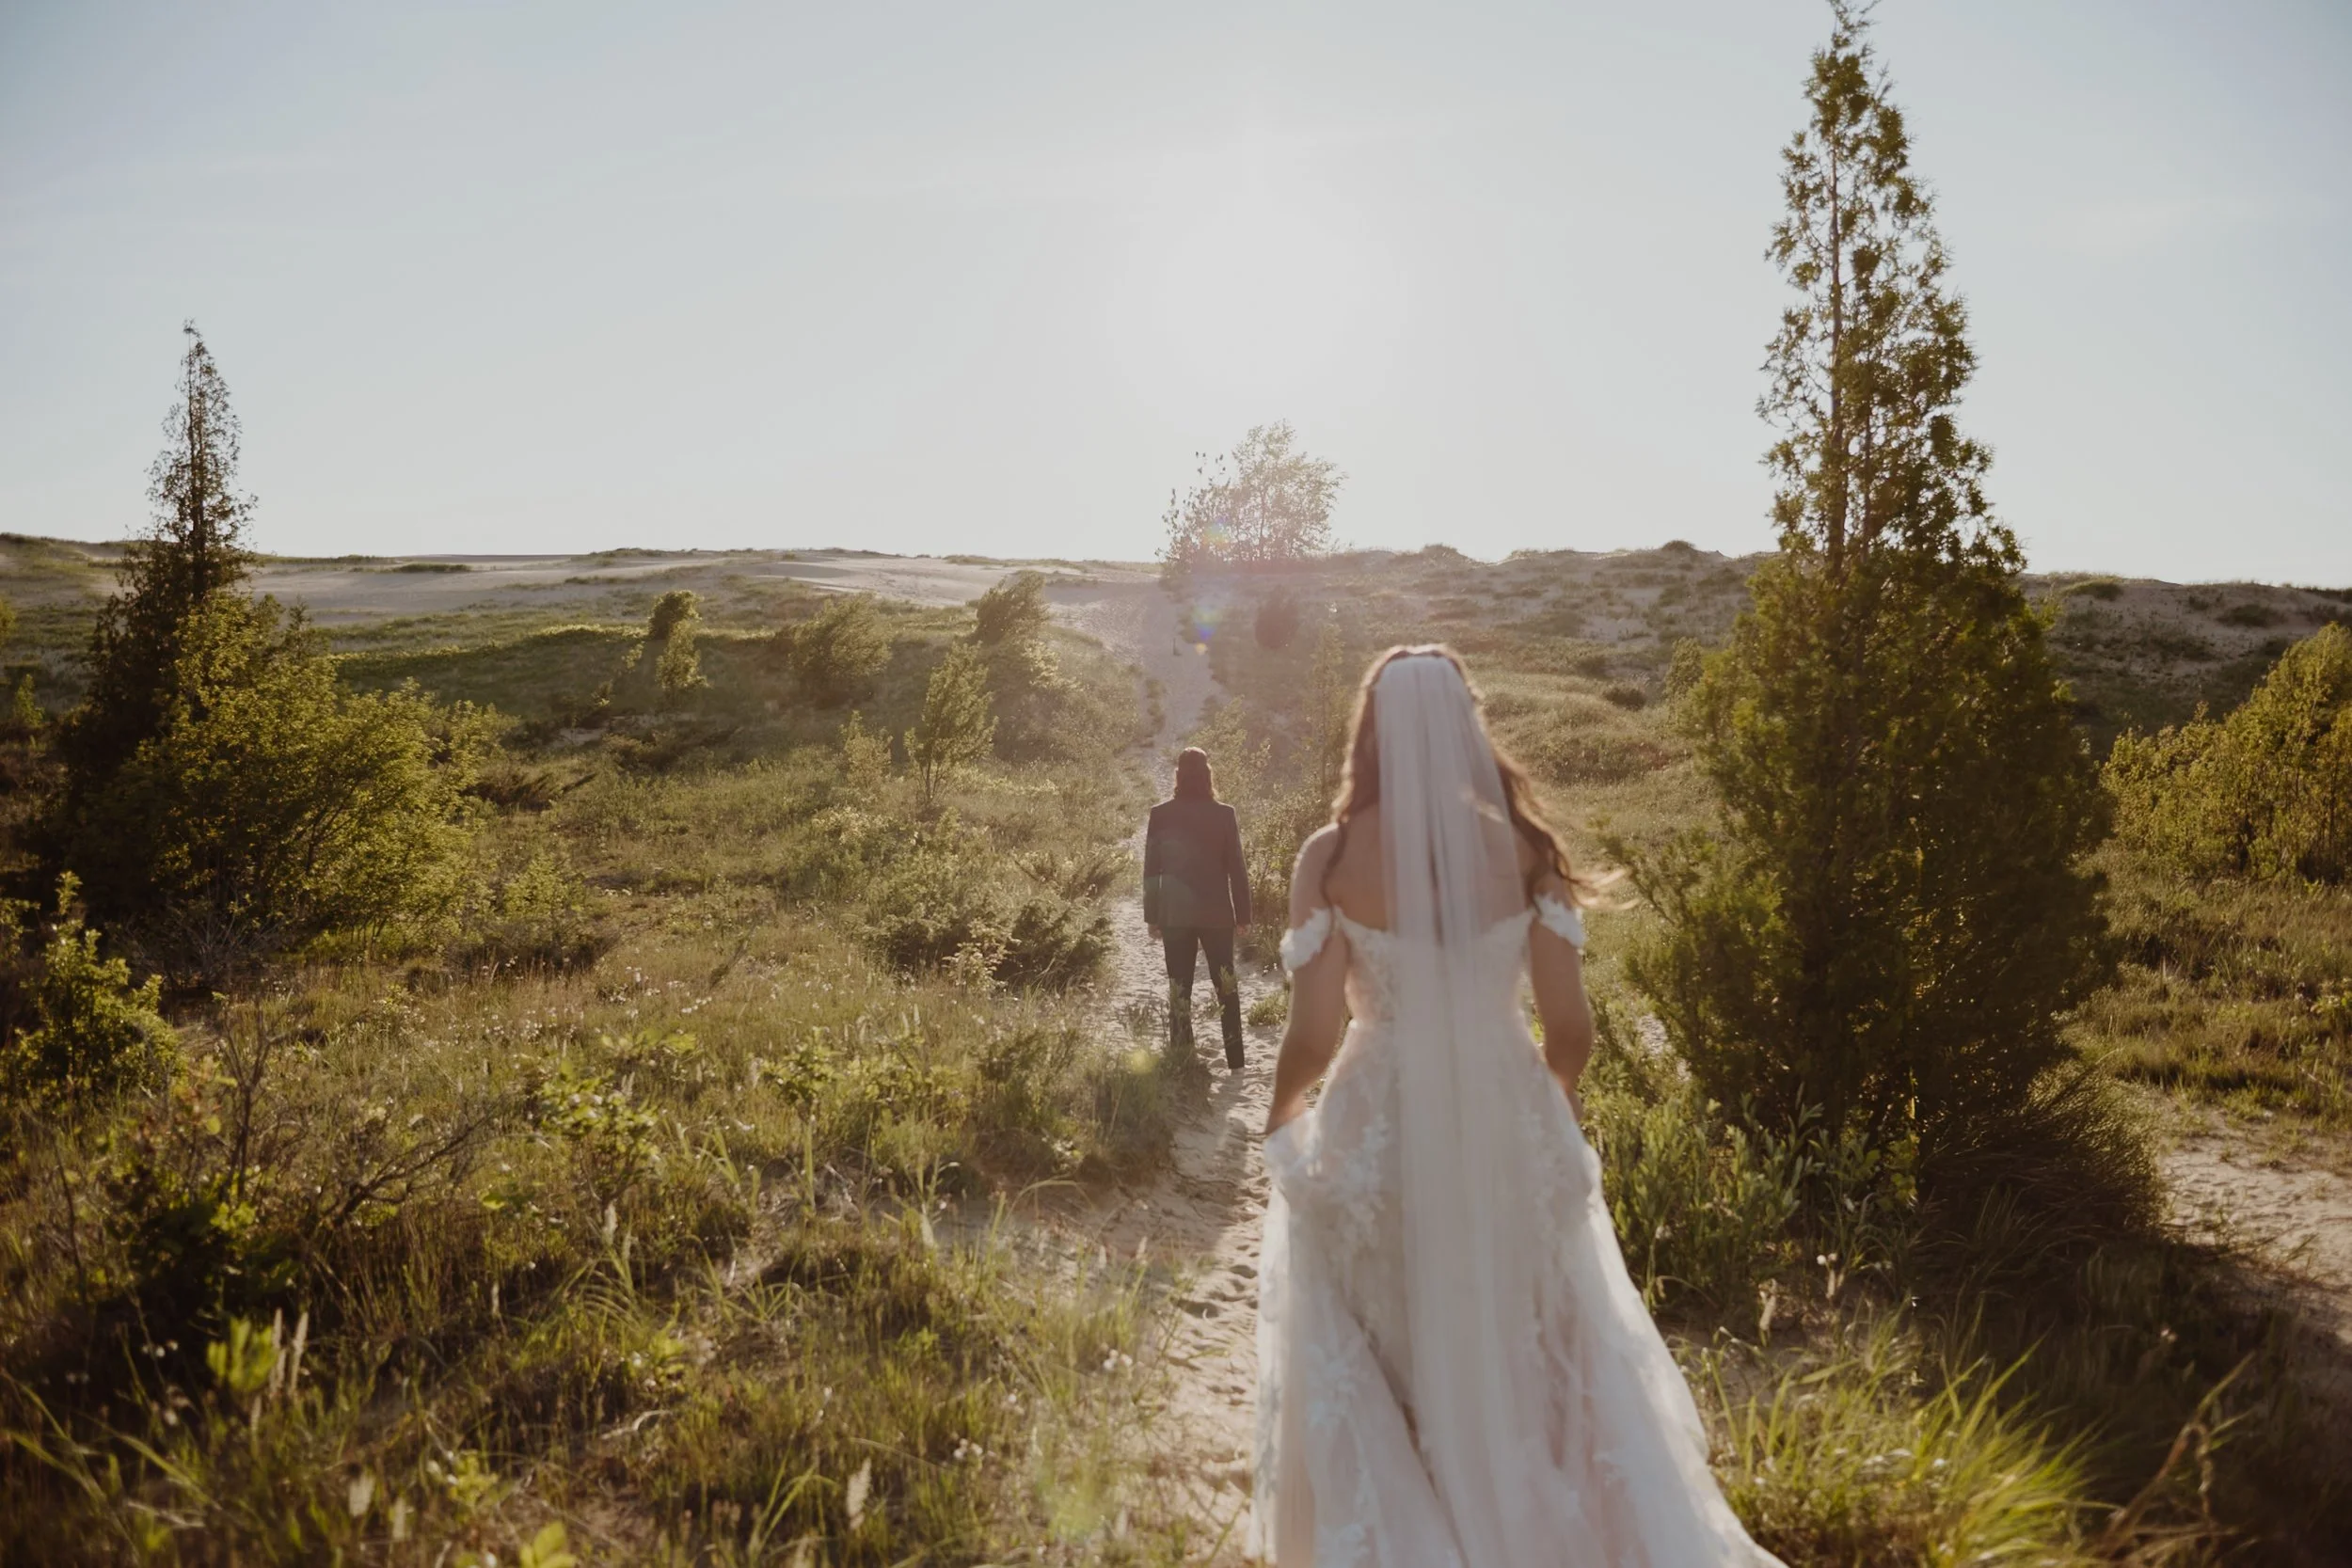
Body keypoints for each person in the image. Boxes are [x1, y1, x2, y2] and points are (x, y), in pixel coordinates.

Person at [1253, 647, 1782, 1568]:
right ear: (1466, 723)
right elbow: (1569, 1025)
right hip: (1504, 1108)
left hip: (1379, 1116)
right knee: (1520, 1354)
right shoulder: (1528, 848)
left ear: (1371, 728)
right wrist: (1544, 1103)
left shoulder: (1331, 854)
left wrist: (1280, 1112)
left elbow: (1309, 1029)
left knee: (1384, 1344)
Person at [1143, 747, 1252, 1070]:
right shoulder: (1224, 814)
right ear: (1208, 775)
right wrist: (1243, 915)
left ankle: (1182, 1056)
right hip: (1217, 913)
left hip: (1175, 914)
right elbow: (1237, 868)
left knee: (1180, 986)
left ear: (1178, 775)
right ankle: (1235, 1059)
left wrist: (1153, 916)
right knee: (1226, 985)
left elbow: (1152, 870)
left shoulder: (1160, 813)